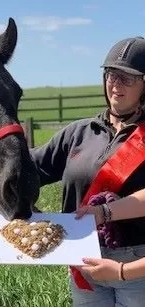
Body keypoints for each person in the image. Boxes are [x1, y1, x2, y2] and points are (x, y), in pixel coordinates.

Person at [30, 36, 145, 307]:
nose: (116, 84)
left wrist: (105, 213)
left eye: (127, 78)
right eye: (111, 74)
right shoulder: (78, 133)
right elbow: (28, 170)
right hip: (83, 260)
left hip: (138, 264)